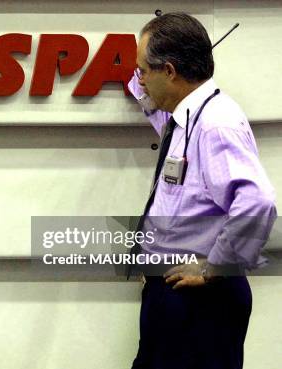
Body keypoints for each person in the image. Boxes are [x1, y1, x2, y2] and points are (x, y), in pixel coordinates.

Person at [127, 12, 277, 369]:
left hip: (200, 300)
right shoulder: (181, 115)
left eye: (144, 70)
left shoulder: (215, 124)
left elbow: (258, 201)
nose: (140, 80)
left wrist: (214, 267)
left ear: (170, 71)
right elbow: (148, 99)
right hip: (173, 298)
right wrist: (143, 80)